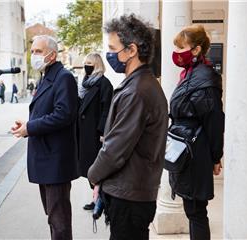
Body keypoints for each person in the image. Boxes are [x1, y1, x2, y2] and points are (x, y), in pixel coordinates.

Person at [87, 14, 168, 240]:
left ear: (131, 50)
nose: (110, 54)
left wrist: (93, 174)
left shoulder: (138, 91)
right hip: (130, 191)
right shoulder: (138, 85)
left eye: (113, 48)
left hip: (130, 197)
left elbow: (116, 149)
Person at [11, 35, 78, 240]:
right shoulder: (46, 76)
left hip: (55, 161)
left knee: (59, 222)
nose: (34, 56)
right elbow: (46, 112)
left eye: (38, 51)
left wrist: (30, 128)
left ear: (52, 55)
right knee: (53, 217)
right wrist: (27, 125)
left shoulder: (63, 77)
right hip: (46, 158)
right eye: (32, 52)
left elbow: (63, 115)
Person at [167, 25, 225, 240]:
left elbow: (214, 122)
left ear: (196, 50)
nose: (177, 52)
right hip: (187, 148)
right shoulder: (191, 74)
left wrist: (215, 156)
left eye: (181, 47)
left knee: (196, 211)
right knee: (193, 210)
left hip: (195, 150)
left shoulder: (204, 78)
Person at [77, 53, 113, 211]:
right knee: (89, 168)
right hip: (84, 133)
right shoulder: (85, 83)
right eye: (85, 63)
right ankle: (98, 198)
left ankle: (100, 199)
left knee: (96, 169)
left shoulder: (104, 84)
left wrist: (103, 132)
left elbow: (107, 110)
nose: (86, 66)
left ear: (97, 64)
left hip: (95, 134)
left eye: (89, 63)